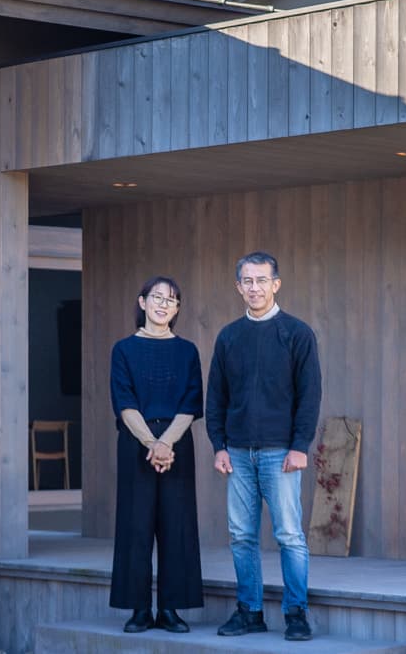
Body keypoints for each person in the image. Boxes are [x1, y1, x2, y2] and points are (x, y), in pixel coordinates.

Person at [206, 252, 322, 642]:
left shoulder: (297, 333)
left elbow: (310, 395)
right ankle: (250, 612)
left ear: (276, 284)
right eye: (247, 281)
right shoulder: (229, 337)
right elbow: (216, 396)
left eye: (261, 280)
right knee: (241, 536)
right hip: (237, 452)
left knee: (289, 535)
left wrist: (300, 445)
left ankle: (296, 613)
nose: (254, 288)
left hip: (281, 452)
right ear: (238, 286)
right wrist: (219, 445)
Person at [108, 275, 204, 635]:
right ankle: (138, 609)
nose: (164, 304)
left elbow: (191, 402)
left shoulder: (187, 351)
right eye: (157, 297)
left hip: (177, 444)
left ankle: (169, 609)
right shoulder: (123, 350)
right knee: (135, 525)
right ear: (142, 302)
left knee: (176, 525)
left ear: (177, 309)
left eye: (172, 300)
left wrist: (167, 443)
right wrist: (153, 443)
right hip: (137, 442)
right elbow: (124, 402)